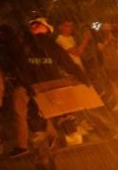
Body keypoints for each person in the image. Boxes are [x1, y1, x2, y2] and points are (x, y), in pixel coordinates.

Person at [9, 17, 86, 158]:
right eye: (32, 24)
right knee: (40, 123)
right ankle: (47, 158)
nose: (33, 26)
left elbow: (66, 62)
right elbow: (19, 67)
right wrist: (26, 84)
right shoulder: (25, 46)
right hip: (35, 88)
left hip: (50, 87)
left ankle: (76, 153)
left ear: (47, 29)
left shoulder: (50, 45)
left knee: (64, 118)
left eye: (38, 24)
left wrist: (82, 77)